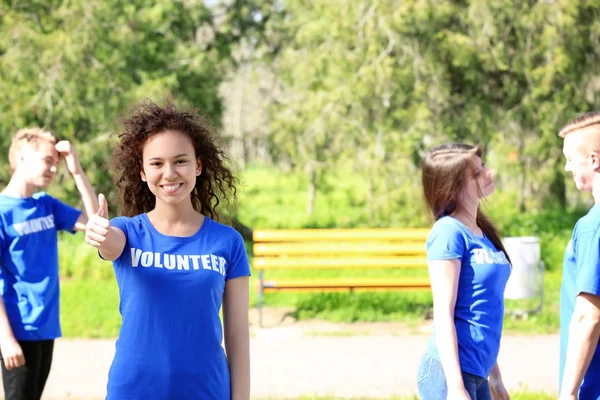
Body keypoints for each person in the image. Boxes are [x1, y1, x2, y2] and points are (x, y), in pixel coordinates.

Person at [85, 101, 251, 400]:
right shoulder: (127, 231)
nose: (170, 173)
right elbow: (111, 246)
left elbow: (238, 338)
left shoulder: (228, 243)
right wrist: (100, 233)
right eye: (157, 163)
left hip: (206, 392)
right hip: (132, 391)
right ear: (143, 172)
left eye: (181, 161)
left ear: (198, 165)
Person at [0, 128, 98, 400]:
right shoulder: (2, 212)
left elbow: (96, 225)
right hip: (18, 329)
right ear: (22, 157)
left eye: (56, 162)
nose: (54, 167)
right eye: (47, 159)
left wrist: (76, 170)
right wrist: (6, 339)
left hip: (46, 326)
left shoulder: (47, 205)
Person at [416, 143, 512, 400]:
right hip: (450, 374)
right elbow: (443, 313)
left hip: (479, 371)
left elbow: (484, 308)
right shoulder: (448, 232)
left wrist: (496, 378)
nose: (488, 173)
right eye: (477, 173)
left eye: (483, 167)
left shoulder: (481, 232)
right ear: (454, 187)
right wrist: (456, 386)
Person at [558, 111, 600, 400]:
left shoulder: (592, 226)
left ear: (595, 160)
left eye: (571, 159)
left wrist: (568, 392)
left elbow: (589, 316)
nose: (566, 167)